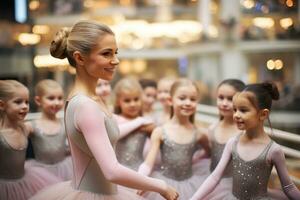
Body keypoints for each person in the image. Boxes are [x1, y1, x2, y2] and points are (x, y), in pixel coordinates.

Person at [30, 20, 178, 200]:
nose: (115, 61)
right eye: (106, 54)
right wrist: (161, 186)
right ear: (80, 58)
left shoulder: (90, 99)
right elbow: (112, 171)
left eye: (115, 53)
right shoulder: (86, 106)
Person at [190, 82, 300, 200]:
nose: (236, 115)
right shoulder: (232, 143)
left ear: (263, 114)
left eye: (243, 110)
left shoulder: (273, 150)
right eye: (235, 109)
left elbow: (288, 187)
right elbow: (215, 177)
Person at [138, 78, 210, 200]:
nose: (187, 103)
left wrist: (195, 159)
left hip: (191, 185)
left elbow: (208, 154)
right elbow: (148, 163)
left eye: (192, 99)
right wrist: (140, 181)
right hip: (165, 183)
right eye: (182, 98)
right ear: (171, 100)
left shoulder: (199, 134)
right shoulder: (160, 131)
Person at [0, 80, 60, 200]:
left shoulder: (25, 128)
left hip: (27, 181)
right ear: (2, 105)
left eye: (26, 102)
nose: (24, 106)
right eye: (18, 102)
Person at [194, 79, 245, 200]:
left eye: (230, 99)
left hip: (237, 190)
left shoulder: (244, 132)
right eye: (221, 98)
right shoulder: (212, 128)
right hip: (212, 184)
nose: (224, 103)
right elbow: (211, 154)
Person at [26, 79, 73, 180]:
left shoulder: (65, 123)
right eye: (51, 98)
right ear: (38, 100)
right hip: (41, 173)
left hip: (65, 169)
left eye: (60, 98)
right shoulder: (32, 126)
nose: (56, 102)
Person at [114, 77, 155, 170]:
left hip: (139, 169)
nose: (132, 104)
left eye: (136, 99)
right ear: (117, 102)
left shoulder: (147, 122)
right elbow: (115, 134)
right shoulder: (115, 119)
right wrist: (139, 122)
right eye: (127, 101)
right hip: (119, 170)